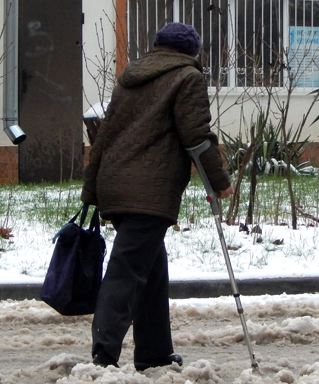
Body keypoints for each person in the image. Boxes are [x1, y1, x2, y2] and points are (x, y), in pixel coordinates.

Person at [80, 22, 233, 371]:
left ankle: (154, 352)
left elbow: (103, 137)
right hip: (148, 189)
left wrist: (91, 189)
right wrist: (218, 180)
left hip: (116, 183)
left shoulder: (130, 78)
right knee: (127, 270)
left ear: (157, 47)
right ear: (192, 52)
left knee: (150, 269)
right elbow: (196, 135)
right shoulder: (187, 78)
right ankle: (102, 357)